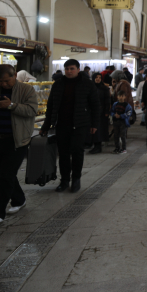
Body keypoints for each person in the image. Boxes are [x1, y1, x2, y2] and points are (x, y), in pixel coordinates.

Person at [0, 64, 38, 225]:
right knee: (3, 174)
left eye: (7, 80)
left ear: (15, 75)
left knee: (6, 175)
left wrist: (11, 106)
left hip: (18, 139)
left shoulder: (26, 90)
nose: (4, 84)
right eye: (1, 81)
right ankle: (19, 200)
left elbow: (32, 111)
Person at [40, 59, 100, 193]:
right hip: (62, 124)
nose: (69, 71)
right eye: (67, 69)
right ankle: (65, 180)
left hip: (80, 124)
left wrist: (95, 124)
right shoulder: (58, 84)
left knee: (77, 152)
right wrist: (45, 125)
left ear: (78, 69)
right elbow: (51, 106)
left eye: (72, 68)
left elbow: (95, 106)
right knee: (63, 154)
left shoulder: (87, 84)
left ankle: (76, 179)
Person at [89, 72, 111, 154]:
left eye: (99, 77)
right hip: (92, 112)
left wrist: (106, 111)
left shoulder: (104, 88)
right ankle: (94, 145)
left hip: (101, 113)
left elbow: (107, 101)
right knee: (93, 129)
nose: (98, 79)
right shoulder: (91, 88)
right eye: (96, 77)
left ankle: (98, 146)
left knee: (99, 130)